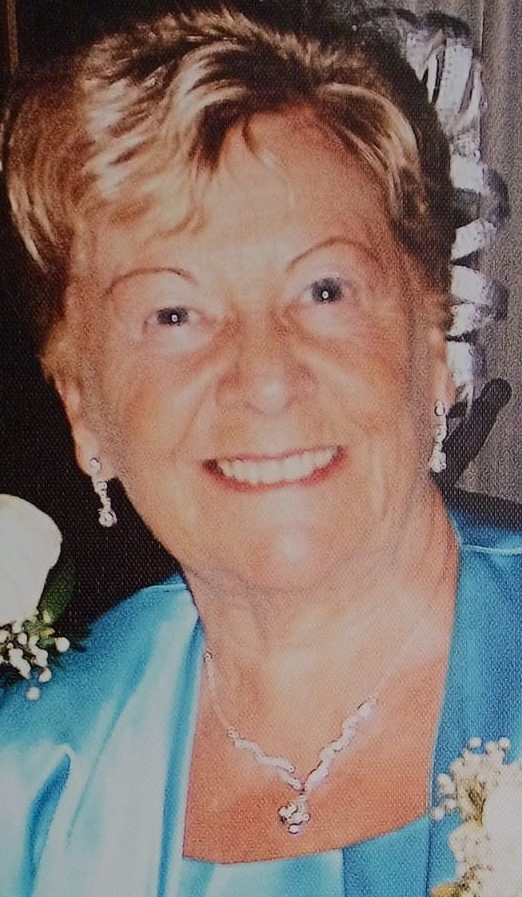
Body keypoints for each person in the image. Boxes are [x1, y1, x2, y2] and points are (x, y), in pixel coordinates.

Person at [0, 3, 520, 895]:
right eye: (174, 313)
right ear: (83, 405)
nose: (265, 377)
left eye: (324, 289)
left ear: (433, 339)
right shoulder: (31, 786)